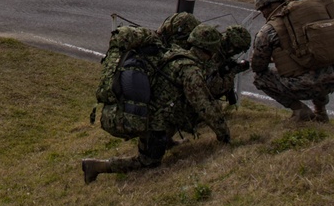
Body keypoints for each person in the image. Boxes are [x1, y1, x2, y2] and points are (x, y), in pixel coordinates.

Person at [82, 24, 230, 183]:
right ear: (210, 51)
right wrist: (223, 134)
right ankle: (97, 166)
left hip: (151, 114)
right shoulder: (190, 70)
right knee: (149, 162)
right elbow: (203, 105)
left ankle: (166, 141)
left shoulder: (174, 54)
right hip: (154, 122)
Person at [251, 0, 334, 122]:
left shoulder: (268, 30)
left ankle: (300, 110)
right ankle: (321, 112)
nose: (263, 13)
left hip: (304, 87)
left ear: (268, 6)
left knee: (260, 78)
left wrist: (274, 59)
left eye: (262, 9)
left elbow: (258, 66)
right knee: (316, 63)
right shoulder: (308, 17)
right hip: (331, 80)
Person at [205, 25, 252, 106]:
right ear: (231, 45)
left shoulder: (222, 52)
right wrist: (233, 72)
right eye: (238, 50)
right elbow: (217, 88)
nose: (237, 52)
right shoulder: (213, 54)